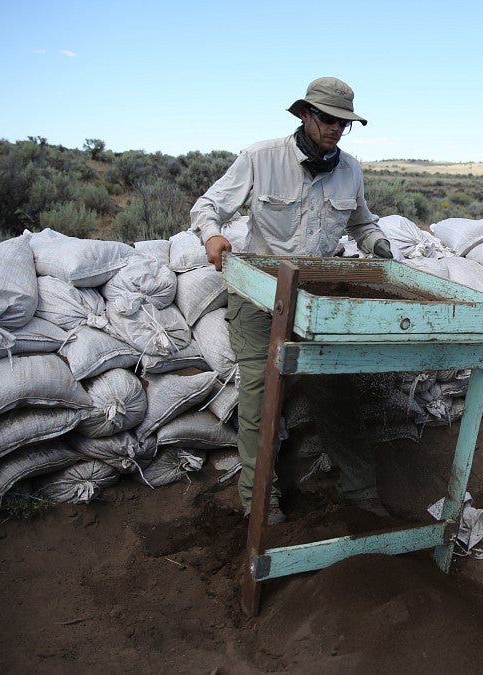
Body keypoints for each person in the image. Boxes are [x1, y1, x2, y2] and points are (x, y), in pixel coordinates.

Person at [190, 76, 392, 524]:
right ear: (304, 115)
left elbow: (362, 223)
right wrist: (214, 235)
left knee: (337, 388)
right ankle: (261, 502)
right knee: (262, 392)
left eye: (344, 123)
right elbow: (207, 206)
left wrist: (378, 245)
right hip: (259, 292)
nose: (336, 129)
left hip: (316, 295)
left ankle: (361, 494)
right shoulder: (262, 158)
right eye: (327, 119)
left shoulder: (350, 170)